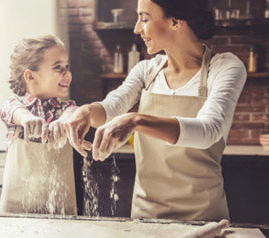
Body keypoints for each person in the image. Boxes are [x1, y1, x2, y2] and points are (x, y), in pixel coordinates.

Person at [63, 0, 246, 221]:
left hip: (204, 217)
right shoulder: (147, 71)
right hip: (146, 215)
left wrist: (136, 120)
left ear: (176, 21)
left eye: (145, 18)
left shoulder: (224, 68)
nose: (137, 28)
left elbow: (209, 130)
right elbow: (112, 106)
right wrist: (86, 111)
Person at [0, 35, 81, 215]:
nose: (67, 74)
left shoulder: (67, 108)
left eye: (67, 67)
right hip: (18, 209)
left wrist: (63, 122)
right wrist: (27, 118)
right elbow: (11, 110)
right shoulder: (15, 107)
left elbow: (72, 114)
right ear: (30, 76)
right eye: (58, 68)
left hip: (60, 209)